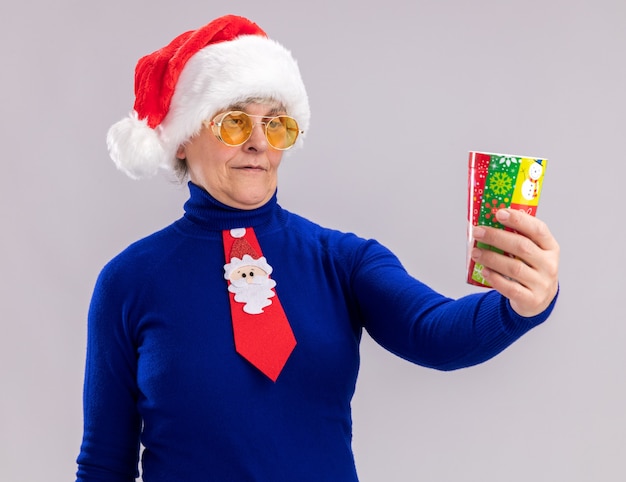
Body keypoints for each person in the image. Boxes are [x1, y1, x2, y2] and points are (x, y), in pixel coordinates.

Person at [75, 14, 560, 482]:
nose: (258, 144)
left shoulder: (344, 261)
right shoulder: (128, 282)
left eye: (276, 124)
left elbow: (434, 333)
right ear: (182, 139)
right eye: (234, 123)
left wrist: (520, 305)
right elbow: (104, 466)